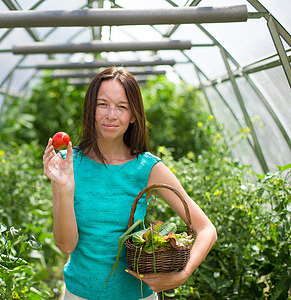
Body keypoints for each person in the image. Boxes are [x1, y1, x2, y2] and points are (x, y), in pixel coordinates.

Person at [43, 67, 217, 300]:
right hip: (79, 294)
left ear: (133, 115)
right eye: (102, 104)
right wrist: (64, 189)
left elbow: (206, 229)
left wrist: (183, 274)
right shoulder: (68, 164)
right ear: (91, 109)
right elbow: (66, 245)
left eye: (122, 107)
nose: (111, 115)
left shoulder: (147, 168)